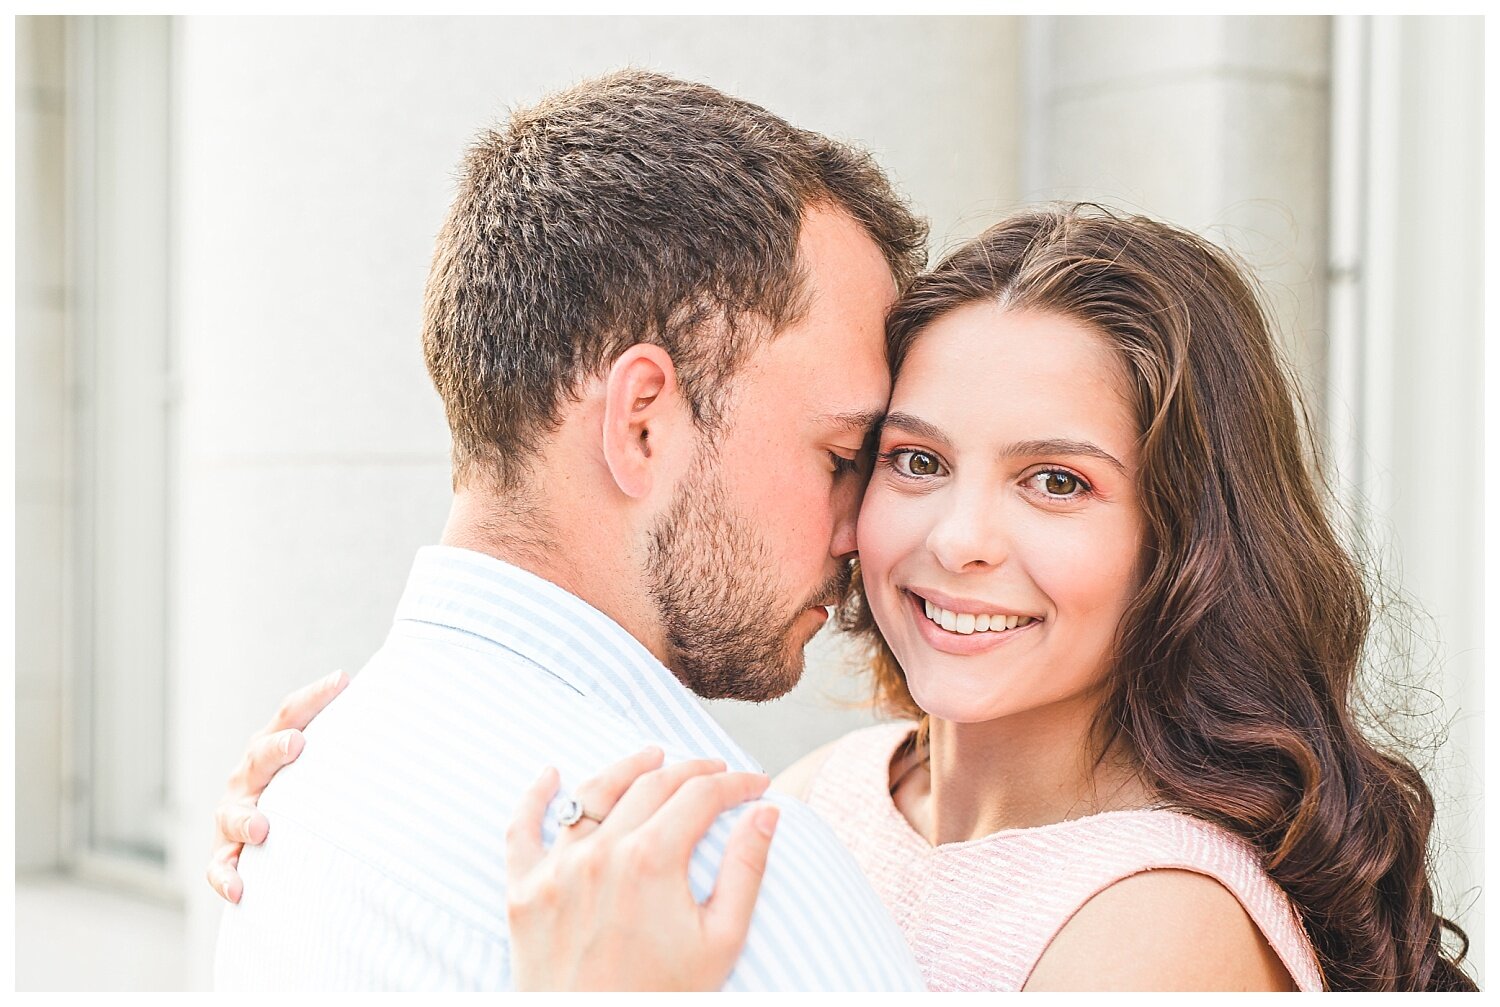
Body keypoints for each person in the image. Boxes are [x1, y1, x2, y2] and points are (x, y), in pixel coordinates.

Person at [440, 208, 1478, 990]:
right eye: (917, 459)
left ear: (1186, 540)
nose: (962, 538)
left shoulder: (1160, 923)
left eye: (1056, 481)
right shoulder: (829, 795)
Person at [210, 68, 933, 991]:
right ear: (642, 422)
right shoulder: (726, 885)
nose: (861, 529)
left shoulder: (300, 791)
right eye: (842, 456)